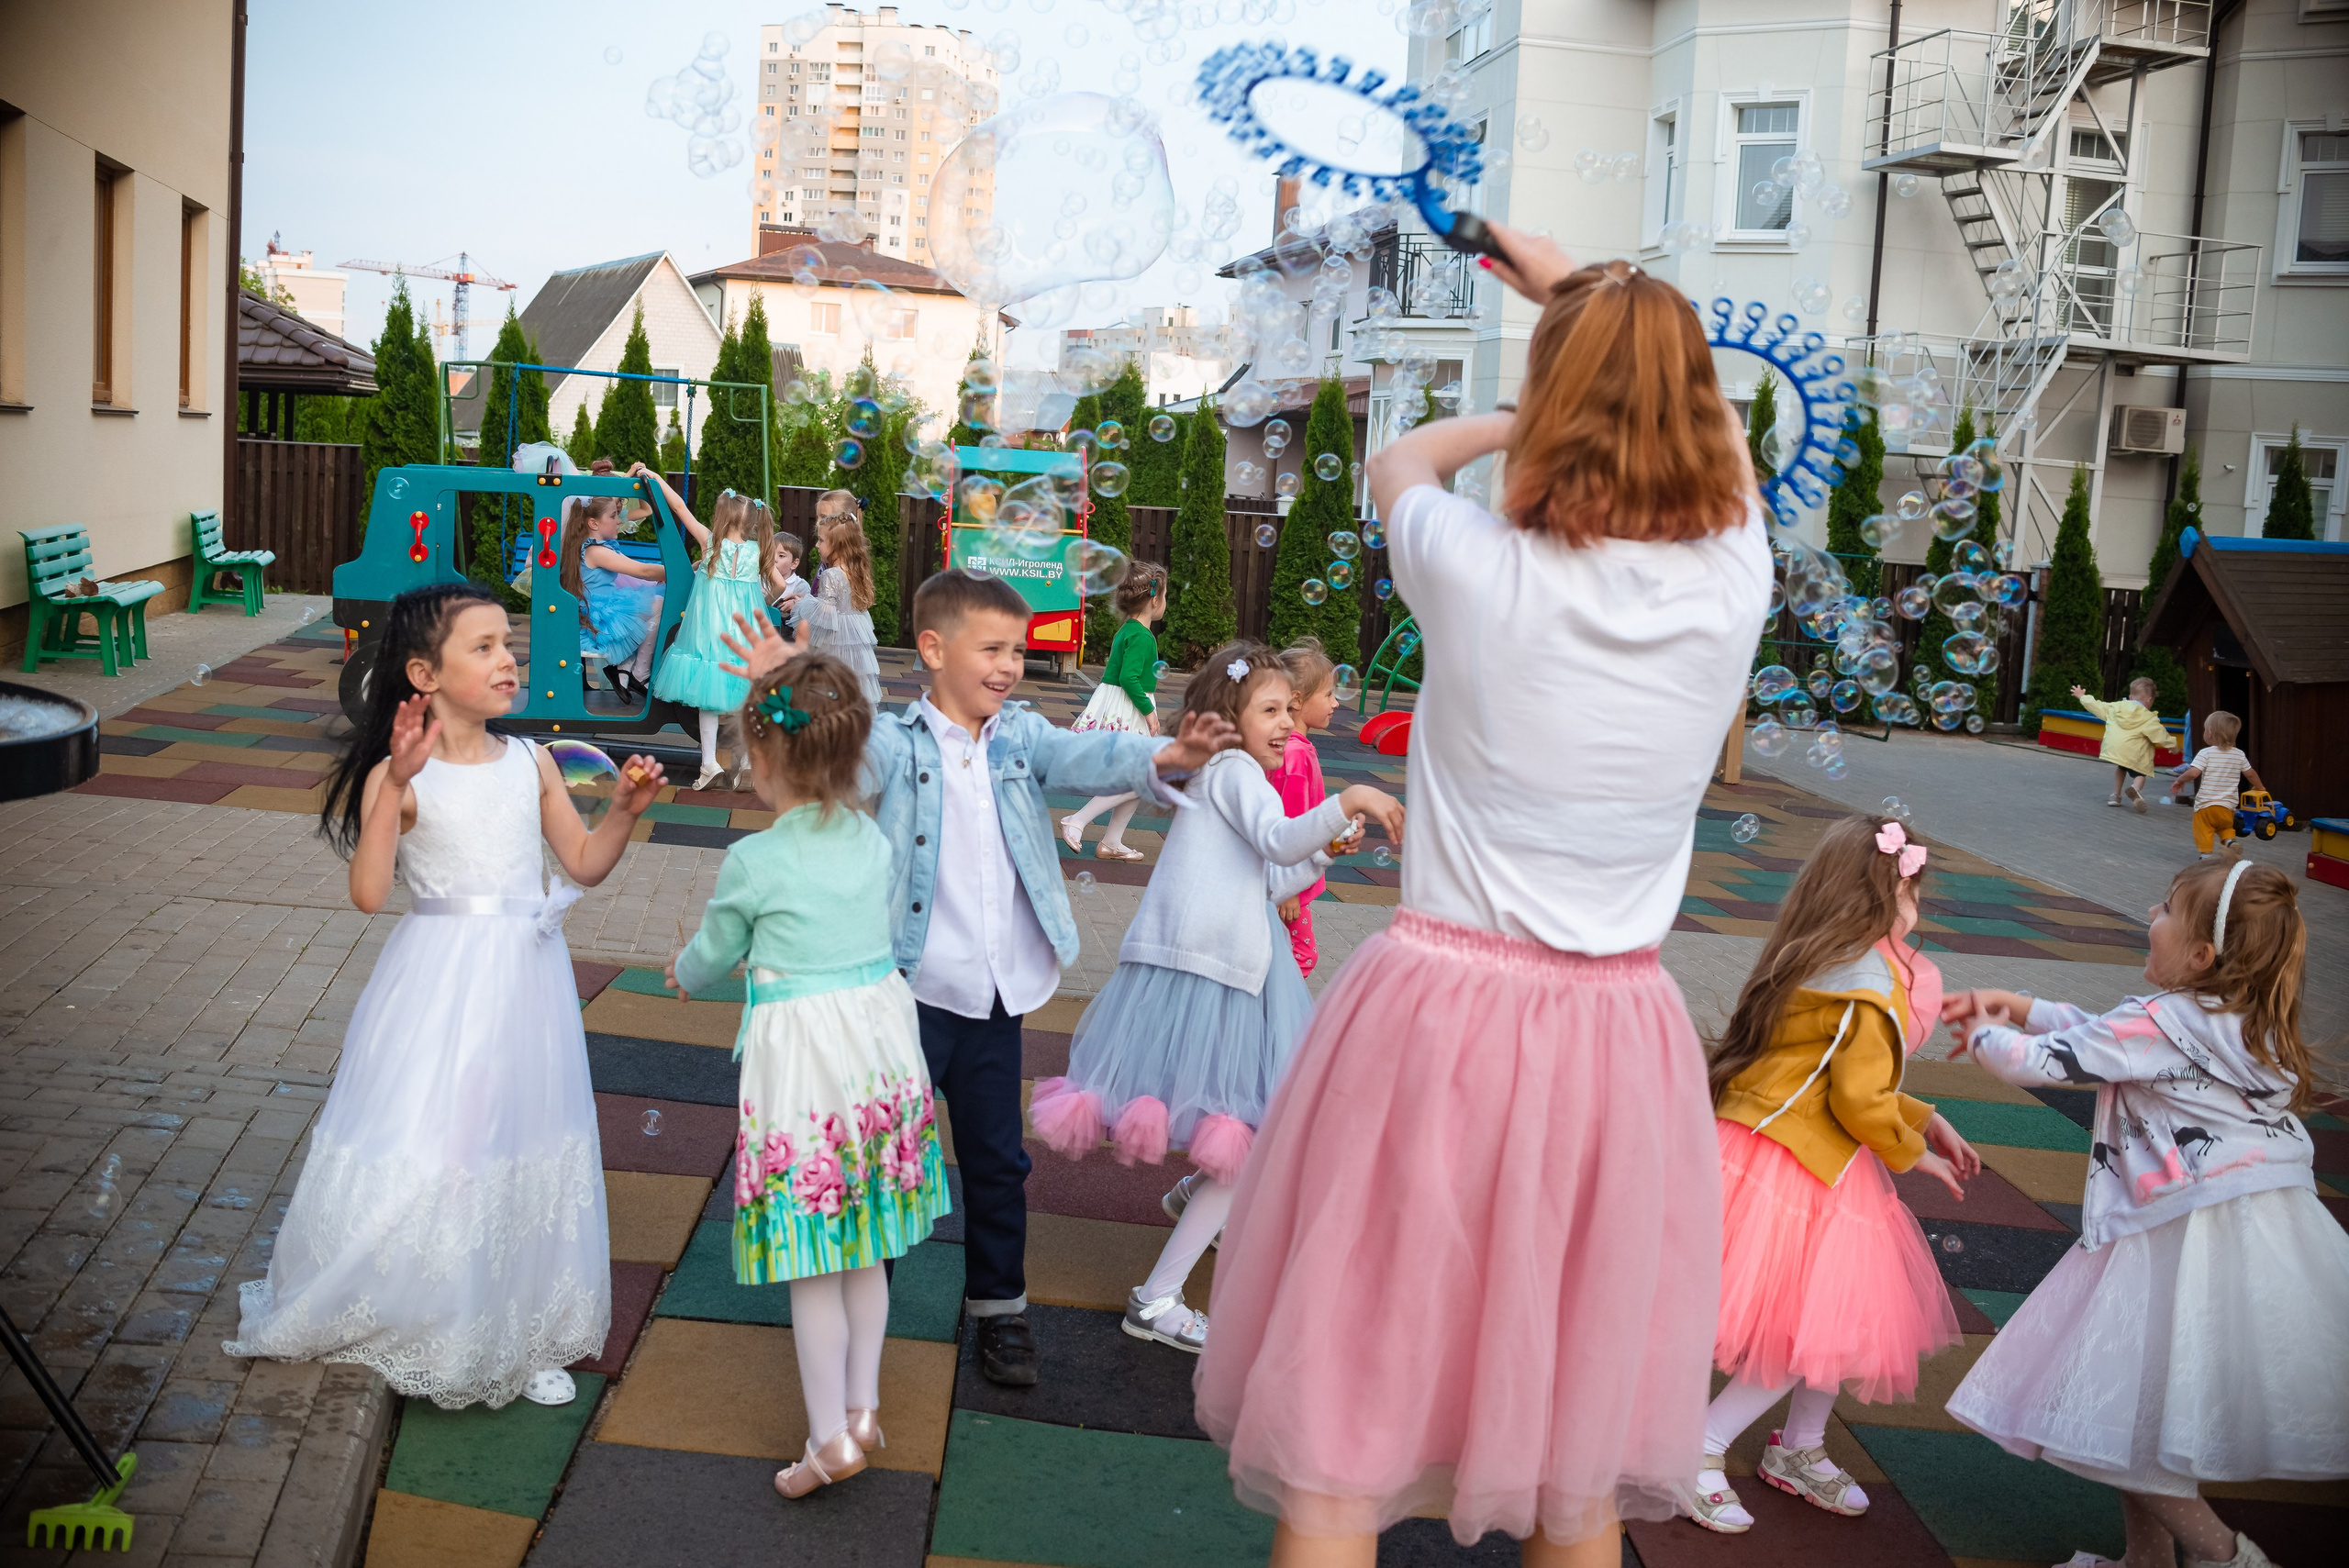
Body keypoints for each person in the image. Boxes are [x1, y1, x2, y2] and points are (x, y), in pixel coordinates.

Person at [1193, 241, 1774, 1566]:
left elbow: (1398, 460)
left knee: (1344, 1414)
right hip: (1619, 1035)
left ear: (1555, 407)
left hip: (1443, 1011)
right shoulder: (1733, 579)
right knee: (1575, 1454)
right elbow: (1724, 453)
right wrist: (1612, 340)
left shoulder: (1474, 563)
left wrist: (1541, 395)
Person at [719, 569, 1242, 1386]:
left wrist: (1163, 755)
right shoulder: (898, 742)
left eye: (1017, 650)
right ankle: (862, 1310)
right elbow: (836, 765)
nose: (1009, 665)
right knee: (884, 1157)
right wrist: (782, 687)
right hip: (907, 998)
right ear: (932, 649)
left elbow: (1088, 751)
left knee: (999, 1161)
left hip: (995, 999)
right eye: (991, 648)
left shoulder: (1021, 735)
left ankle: (1000, 1308)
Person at [225, 584, 665, 1408]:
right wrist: (394, 783)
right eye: (484, 646)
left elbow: (582, 862)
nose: (509, 659)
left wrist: (625, 813)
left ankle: (520, 1325)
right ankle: (438, 1315)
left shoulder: (531, 761)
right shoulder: (404, 776)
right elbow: (368, 892)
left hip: (527, 981)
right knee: (445, 1136)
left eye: (508, 643)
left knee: (520, 1131)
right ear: (424, 674)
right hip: (442, 980)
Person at [1942, 859, 2348, 1568]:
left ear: (2201, 954)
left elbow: (2047, 1060)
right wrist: (2022, 1002)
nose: (2151, 917)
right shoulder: (2240, 1024)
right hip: (2249, 1233)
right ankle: (2147, 1559)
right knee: (2131, 1408)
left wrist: (1982, 1029)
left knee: (2114, 1413)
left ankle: (2227, 1556)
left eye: (2165, 909)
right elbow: (2106, 1039)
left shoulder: (2163, 1023)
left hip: (2171, 1237)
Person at [1030, 644, 1401, 1353]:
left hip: (1227, 967)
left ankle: (1191, 1198)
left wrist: (1323, 853)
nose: (1287, 722)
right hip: (1218, 975)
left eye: (1290, 709)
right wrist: (1349, 800)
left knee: (1244, 1131)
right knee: (1253, 1138)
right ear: (1229, 719)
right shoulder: (1235, 771)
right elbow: (1278, 838)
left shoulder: (1231, 775)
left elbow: (1269, 877)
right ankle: (1156, 1298)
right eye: (1271, 709)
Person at [665, 651, 951, 1498]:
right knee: (868, 1246)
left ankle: (829, 1440)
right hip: (878, 1047)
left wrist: (684, 972)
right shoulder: (869, 837)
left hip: (806, 1062)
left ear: (764, 757)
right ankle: (862, 1409)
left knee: (815, 1259)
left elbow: (714, 950)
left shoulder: (755, 860)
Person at [1687, 815, 1974, 1534]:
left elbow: (1828, 1072)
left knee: (1835, 1320)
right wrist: (1913, 1148)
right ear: (1887, 894)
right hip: (1799, 1162)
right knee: (1802, 1327)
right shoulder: (1868, 984)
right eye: (1913, 890)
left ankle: (1801, 1445)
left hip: (1769, 1145)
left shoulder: (1818, 956)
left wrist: (1924, 1114)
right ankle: (1700, 1445)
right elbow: (1857, 1097)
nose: (1919, 905)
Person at [644, 477, 774, 789]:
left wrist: (656, 478)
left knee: (708, 699)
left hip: (709, 633)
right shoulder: (756, 552)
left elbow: (679, 506)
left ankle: (709, 764)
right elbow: (780, 586)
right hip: (743, 636)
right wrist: (766, 601)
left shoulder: (711, 543)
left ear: (723, 516)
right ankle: (747, 762)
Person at [1061, 560, 1170, 862]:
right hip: (1130, 708)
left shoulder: (1128, 630)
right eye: (1165, 595)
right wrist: (1149, 711)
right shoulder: (1142, 637)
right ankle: (1077, 820)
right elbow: (1128, 677)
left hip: (1120, 704)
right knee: (1139, 777)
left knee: (1137, 778)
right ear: (1154, 599)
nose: (1166, 602)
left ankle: (1112, 842)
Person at [1270, 639, 1339, 977]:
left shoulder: (1290, 747)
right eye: (1328, 694)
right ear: (1297, 700)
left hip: (1283, 879)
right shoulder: (1295, 755)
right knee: (1302, 955)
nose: (1335, 703)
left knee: (1279, 949)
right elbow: (1290, 825)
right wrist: (1290, 890)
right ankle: (1273, 1007)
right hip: (1288, 883)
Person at [559, 494, 665, 702]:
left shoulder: (599, 547)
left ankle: (625, 669)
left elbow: (638, 568)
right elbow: (642, 571)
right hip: (599, 620)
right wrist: (678, 571)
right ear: (593, 523)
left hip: (602, 612)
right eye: (613, 516)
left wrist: (688, 568)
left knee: (652, 602)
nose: (619, 520)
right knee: (659, 604)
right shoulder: (595, 551)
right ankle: (639, 672)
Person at [794, 506, 882, 706]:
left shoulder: (831, 575)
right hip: (853, 638)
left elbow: (824, 614)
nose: (817, 545)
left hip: (835, 638)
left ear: (837, 545)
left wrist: (802, 603)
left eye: (821, 540)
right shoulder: (855, 570)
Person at [2072, 677, 2171, 813]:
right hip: (2135, 753)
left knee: (2121, 767)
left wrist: (2082, 697)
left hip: (2116, 749)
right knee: (2141, 774)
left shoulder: (2116, 707)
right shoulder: (2148, 717)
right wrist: (2173, 745)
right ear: (2149, 700)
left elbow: (2098, 706)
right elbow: (2160, 734)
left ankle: (2115, 796)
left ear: (2130, 697)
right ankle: (2135, 789)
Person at [2176, 710, 2262, 860]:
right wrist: (2260, 787)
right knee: (2226, 827)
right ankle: (2230, 842)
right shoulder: (2239, 755)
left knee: (2203, 830)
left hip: (2206, 806)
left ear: (2209, 733)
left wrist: (2180, 780)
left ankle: (2206, 857)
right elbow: (2250, 774)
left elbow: (2193, 773)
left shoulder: (2205, 753)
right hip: (2227, 807)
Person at [768, 530, 811, 629]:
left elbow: (805, 618)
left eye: (781, 556)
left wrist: (795, 605)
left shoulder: (800, 586)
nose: (774, 559)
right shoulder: (759, 580)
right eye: (770, 553)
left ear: (794, 563)